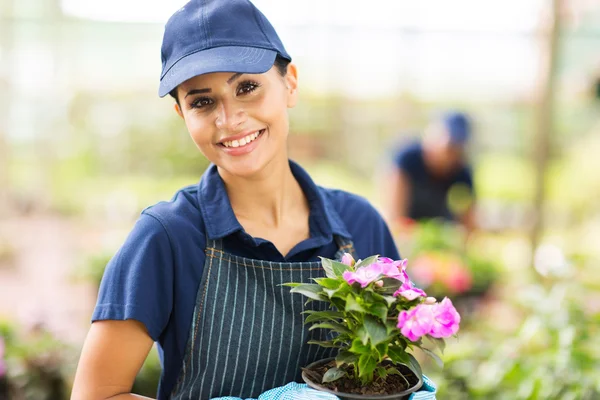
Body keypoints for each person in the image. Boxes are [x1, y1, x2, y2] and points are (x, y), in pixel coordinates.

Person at [70, 1, 437, 399]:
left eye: (246, 87)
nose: (229, 120)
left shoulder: (359, 224)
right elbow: (96, 394)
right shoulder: (168, 237)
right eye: (202, 101)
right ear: (182, 114)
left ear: (290, 83)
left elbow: (393, 363)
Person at [383, 111, 476, 231]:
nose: (452, 155)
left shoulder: (462, 171)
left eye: (458, 149)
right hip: (407, 229)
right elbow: (395, 213)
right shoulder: (408, 158)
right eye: (449, 146)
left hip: (438, 232)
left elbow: (470, 221)